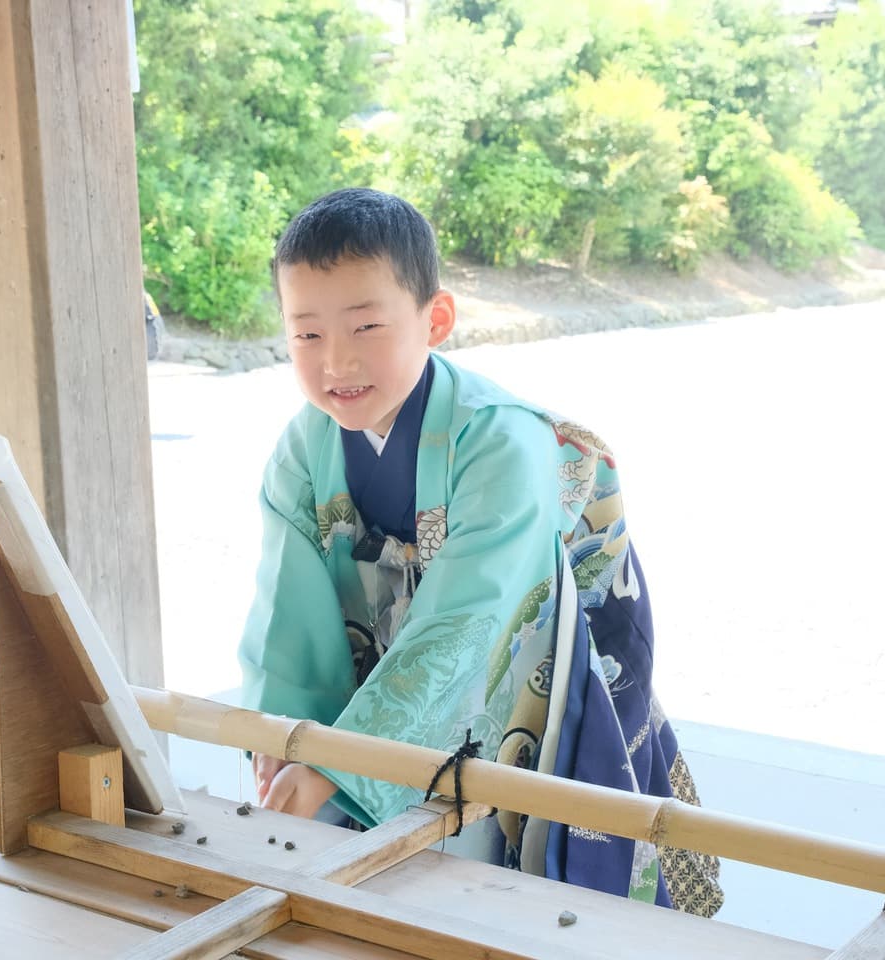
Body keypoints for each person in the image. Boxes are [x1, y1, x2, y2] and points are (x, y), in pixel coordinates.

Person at [238, 188, 721, 915]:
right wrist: (283, 738)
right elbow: (288, 611)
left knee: (531, 873)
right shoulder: (304, 448)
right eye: (306, 335)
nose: (336, 360)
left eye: (366, 325)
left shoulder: (500, 440)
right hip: (401, 661)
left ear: (435, 320)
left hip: (525, 654)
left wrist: (340, 762)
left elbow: (472, 617)